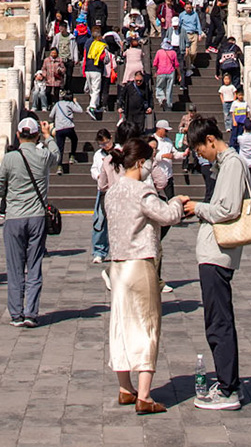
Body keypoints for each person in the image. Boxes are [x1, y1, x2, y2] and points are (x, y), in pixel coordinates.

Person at [105, 135, 186, 415]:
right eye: (148, 162)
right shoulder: (141, 192)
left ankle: (125, 388)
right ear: (140, 162)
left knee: (120, 326)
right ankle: (144, 395)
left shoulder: (111, 192)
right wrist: (177, 201)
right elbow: (167, 216)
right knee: (147, 326)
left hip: (116, 266)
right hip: (139, 262)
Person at [180, 115, 248, 411]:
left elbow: (228, 209)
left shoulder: (232, 164)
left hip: (217, 254)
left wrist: (198, 208)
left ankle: (228, 388)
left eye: (200, 150)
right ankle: (228, 380)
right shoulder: (226, 165)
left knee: (218, 322)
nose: (200, 156)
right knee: (218, 319)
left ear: (211, 140)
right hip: (215, 253)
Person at [0, 116, 59, 327]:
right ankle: (31, 312)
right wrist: (49, 137)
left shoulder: (11, 158)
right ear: (37, 135)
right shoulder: (43, 155)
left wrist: (8, 192)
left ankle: (16, 313)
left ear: (19, 135)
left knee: (15, 267)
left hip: (14, 216)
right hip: (37, 216)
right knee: (34, 265)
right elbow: (56, 156)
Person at [89, 129, 116, 262]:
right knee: (99, 220)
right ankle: (99, 250)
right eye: (102, 144)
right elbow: (94, 169)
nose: (105, 146)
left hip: (117, 189)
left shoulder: (119, 151)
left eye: (107, 142)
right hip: (103, 190)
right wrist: (98, 176)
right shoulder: (98, 155)